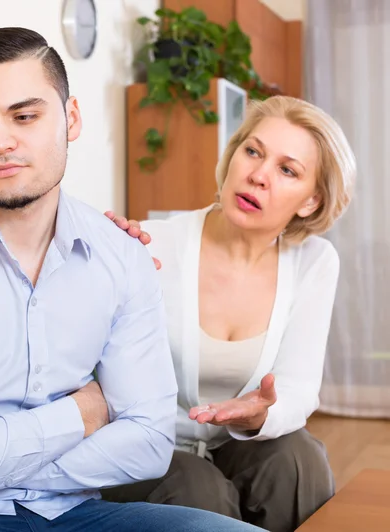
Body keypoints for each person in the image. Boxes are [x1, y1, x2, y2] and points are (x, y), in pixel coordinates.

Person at [0, 27, 264, 532]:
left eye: (24, 116)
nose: (0, 142)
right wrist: (85, 412)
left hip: (74, 511)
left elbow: (150, 443)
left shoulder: (120, 256)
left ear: (70, 119)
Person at [102, 95, 356, 532]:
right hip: (145, 447)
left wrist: (260, 416)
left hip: (233, 444)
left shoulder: (315, 261)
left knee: (298, 460)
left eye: (287, 169)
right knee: (198, 489)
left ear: (310, 202)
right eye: (252, 151)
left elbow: (298, 387)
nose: (257, 175)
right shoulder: (150, 245)